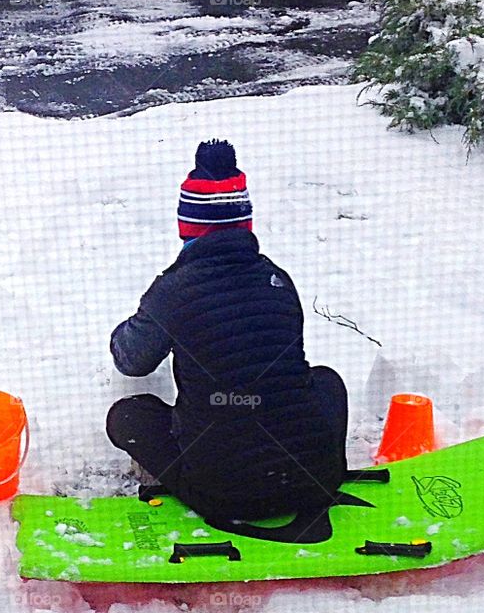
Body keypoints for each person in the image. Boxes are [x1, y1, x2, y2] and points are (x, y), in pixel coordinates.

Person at [106, 139, 349, 526]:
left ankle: (226, 477)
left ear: (187, 226)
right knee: (326, 380)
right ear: (245, 223)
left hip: (224, 494)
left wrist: (138, 322)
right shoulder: (278, 279)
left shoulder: (174, 290)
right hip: (315, 479)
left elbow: (131, 361)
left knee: (128, 416)